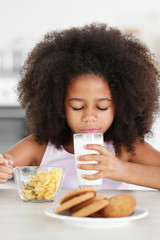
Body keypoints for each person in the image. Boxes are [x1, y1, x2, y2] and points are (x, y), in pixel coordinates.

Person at [0, 23, 160, 189]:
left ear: (120, 107)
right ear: (59, 108)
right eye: (77, 107)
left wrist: (120, 169)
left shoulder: (125, 148)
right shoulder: (39, 147)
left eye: (102, 107)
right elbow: (6, 161)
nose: (89, 116)